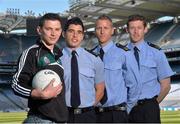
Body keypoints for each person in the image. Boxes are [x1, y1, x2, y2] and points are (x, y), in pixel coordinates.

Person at [12, 13, 68, 123]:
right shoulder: (31, 53)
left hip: (60, 120)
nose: (53, 33)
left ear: (61, 31)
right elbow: (16, 84)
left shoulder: (58, 54)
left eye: (57, 29)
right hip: (41, 119)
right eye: (49, 29)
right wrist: (39, 94)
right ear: (39, 30)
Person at [126, 14, 174, 123]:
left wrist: (152, 104)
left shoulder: (156, 52)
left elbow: (166, 85)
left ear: (145, 29)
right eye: (132, 28)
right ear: (127, 30)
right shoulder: (120, 54)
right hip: (127, 108)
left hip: (149, 109)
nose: (136, 31)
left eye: (139, 28)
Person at [59, 17, 105, 123]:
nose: (75, 35)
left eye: (79, 32)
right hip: (63, 115)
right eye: (71, 31)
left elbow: (100, 90)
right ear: (63, 34)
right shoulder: (56, 59)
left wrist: (88, 106)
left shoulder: (95, 59)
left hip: (88, 116)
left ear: (82, 36)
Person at [91, 14, 132, 123]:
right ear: (95, 31)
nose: (102, 31)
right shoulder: (89, 55)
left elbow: (133, 85)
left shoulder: (124, 53)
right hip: (95, 114)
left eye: (106, 28)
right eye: (99, 28)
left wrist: (127, 110)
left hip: (117, 114)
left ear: (112, 30)